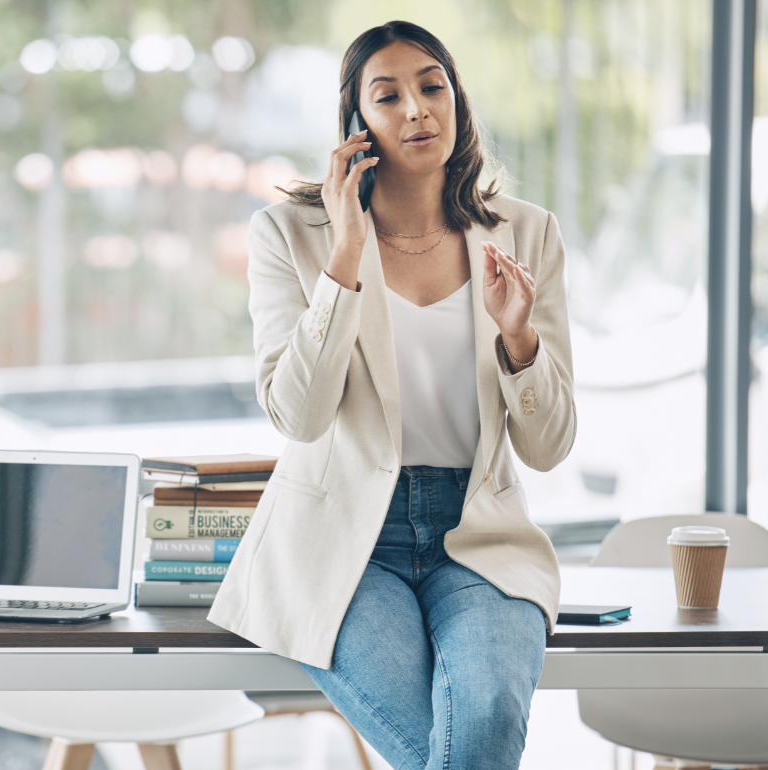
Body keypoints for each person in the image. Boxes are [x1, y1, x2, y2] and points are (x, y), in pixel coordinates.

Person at [207, 20, 576, 770]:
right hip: (343, 544)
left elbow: (549, 446)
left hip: (478, 538)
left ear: (458, 103)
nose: (417, 109)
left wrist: (518, 342)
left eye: (432, 86)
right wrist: (344, 257)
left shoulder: (527, 234)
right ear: (356, 125)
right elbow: (299, 415)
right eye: (389, 95)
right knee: (467, 751)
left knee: (487, 717)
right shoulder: (289, 235)